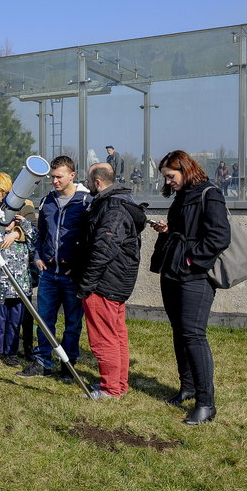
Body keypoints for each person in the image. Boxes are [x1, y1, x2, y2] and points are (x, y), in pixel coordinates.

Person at [150, 150, 230, 425]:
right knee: (179, 331)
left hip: (195, 276)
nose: (168, 182)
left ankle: (206, 403)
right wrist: (167, 230)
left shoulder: (210, 193)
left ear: (185, 169)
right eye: (166, 178)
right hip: (172, 273)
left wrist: (190, 258)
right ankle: (188, 387)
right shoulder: (182, 195)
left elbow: (220, 236)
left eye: (171, 176)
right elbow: (182, 229)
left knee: (194, 335)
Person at [76, 163, 145, 399]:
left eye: (88, 180)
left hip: (104, 283)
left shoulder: (114, 209)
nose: (85, 184)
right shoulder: (119, 203)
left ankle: (110, 389)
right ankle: (118, 384)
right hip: (116, 280)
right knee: (116, 335)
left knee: (103, 338)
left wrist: (87, 284)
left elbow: (103, 249)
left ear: (98, 182)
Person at [20, 155, 91, 379]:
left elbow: (91, 239)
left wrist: (79, 265)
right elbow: (40, 232)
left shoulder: (86, 202)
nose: (55, 181)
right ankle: (42, 362)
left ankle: (68, 364)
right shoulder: (48, 201)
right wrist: (38, 255)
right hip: (49, 273)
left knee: (72, 322)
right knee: (44, 319)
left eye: (59, 177)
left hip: (71, 275)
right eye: (52, 177)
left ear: (72, 175)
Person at [0, 172, 36, 370]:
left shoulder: (24, 206)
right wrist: (4, 229)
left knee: (16, 315)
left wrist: (17, 232)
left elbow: (34, 232)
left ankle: (12, 352)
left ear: (4, 191)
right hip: (0, 270)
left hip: (19, 270)